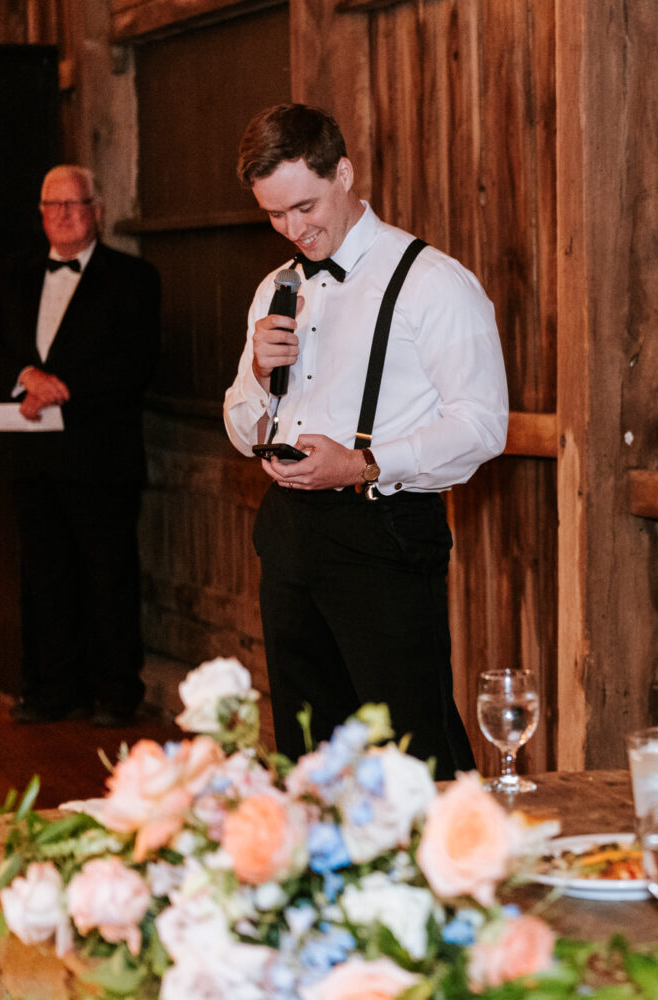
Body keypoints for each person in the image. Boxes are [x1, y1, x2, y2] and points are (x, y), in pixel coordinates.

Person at [223, 104, 507, 778]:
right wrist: (260, 375)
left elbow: (483, 424)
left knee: (412, 752)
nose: (293, 229)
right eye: (274, 215)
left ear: (343, 172)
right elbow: (241, 428)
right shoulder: (275, 288)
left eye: (304, 206)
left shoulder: (434, 283)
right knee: (310, 755)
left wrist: (362, 462)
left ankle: (449, 881)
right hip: (289, 538)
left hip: (385, 537)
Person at [0, 165, 159, 727]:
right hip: (30, 454)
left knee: (108, 575)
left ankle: (116, 694)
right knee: (44, 575)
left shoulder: (134, 277)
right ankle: (54, 690)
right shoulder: (12, 274)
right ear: (41, 212)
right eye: (53, 205)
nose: (64, 214)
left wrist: (63, 390)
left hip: (101, 453)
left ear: (97, 209)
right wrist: (26, 376)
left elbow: (139, 361)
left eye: (75, 204)